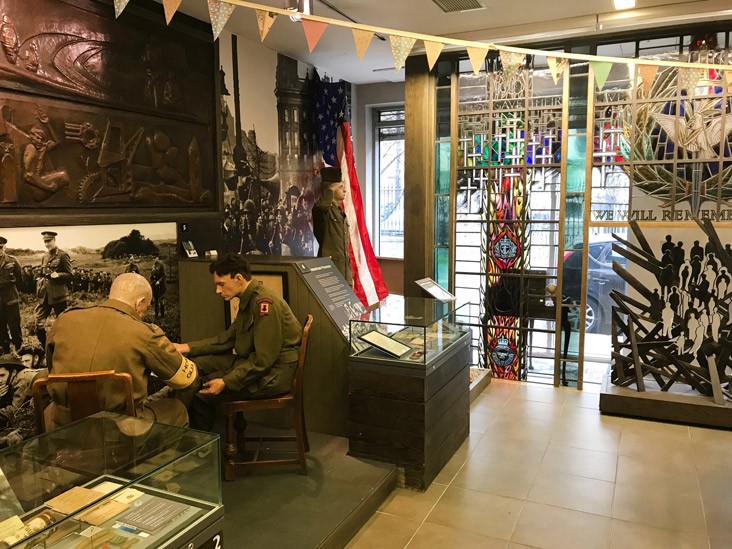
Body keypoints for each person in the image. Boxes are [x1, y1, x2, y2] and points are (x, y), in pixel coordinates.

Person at [44, 273, 197, 430]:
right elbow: (184, 379)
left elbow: (51, 370)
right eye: (147, 306)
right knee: (177, 410)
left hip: (63, 424)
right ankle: (150, 454)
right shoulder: (145, 333)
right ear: (140, 302)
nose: (145, 310)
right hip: (119, 430)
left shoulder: (65, 319)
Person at [174, 254, 302, 431]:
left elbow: (263, 360)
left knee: (202, 391)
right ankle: (177, 426)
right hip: (255, 365)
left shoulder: (264, 304)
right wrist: (187, 348)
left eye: (221, 284)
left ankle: (198, 447)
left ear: (239, 279)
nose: (218, 291)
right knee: (194, 365)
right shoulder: (249, 299)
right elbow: (228, 339)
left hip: (272, 376)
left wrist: (226, 381)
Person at [312, 167, 352, 285]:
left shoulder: (340, 212)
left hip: (343, 272)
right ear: (331, 189)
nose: (344, 190)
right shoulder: (323, 210)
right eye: (340, 187)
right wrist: (329, 189)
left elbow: (344, 251)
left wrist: (350, 277)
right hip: (330, 272)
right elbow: (321, 208)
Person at [34, 231, 72, 349]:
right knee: (38, 323)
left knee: (62, 323)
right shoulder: (44, 256)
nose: (47, 244)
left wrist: (59, 275)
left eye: (49, 241)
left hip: (58, 295)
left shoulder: (62, 255)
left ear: (54, 240)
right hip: (44, 295)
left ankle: (64, 347)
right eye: (45, 241)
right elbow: (41, 273)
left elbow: (70, 275)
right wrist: (39, 279)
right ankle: (45, 347)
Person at [0, 236, 23, 354]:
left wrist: (15, 293)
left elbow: (20, 280)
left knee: (15, 328)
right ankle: (6, 353)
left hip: (11, 299)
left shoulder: (12, 261)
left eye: (0, 248)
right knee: (1, 329)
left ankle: (20, 351)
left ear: (5, 247)